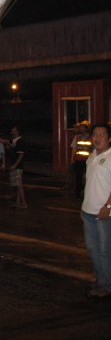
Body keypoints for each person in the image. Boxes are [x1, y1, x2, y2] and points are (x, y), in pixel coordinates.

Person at [81, 123, 111, 299]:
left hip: (104, 213)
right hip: (88, 212)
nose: (97, 137)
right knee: (93, 249)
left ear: (109, 138)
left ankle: (106, 284)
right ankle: (101, 279)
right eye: (95, 134)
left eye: (102, 135)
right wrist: (83, 207)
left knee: (104, 250)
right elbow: (90, 184)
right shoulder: (91, 156)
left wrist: (108, 206)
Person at [6, 125, 27, 209]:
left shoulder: (20, 141)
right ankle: (18, 202)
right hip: (15, 165)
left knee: (19, 184)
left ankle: (24, 203)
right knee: (17, 184)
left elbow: (21, 154)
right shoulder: (14, 141)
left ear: (17, 131)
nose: (12, 131)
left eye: (14, 130)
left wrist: (15, 165)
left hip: (17, 166)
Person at [71, 120, 92, 199]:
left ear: (87, 128)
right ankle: (77, 193)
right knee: (78, 177)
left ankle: (87, 193)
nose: (81, 128)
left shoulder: (91, 137)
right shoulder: (77, 137)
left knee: (88, 177)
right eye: (80, 127)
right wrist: (72, 158)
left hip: (88, 161)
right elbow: (74, 148)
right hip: (78, 160)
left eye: (82, 127)